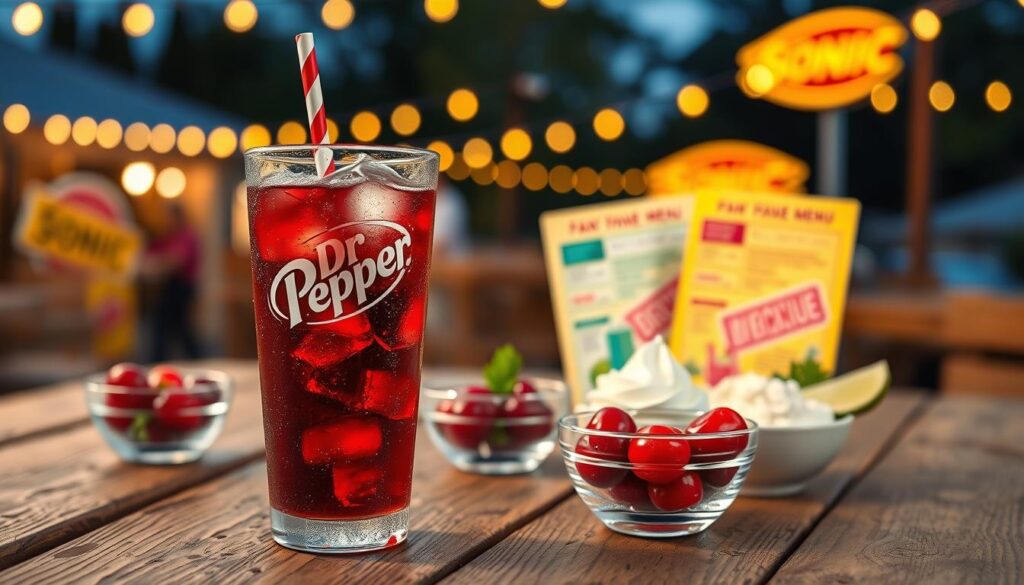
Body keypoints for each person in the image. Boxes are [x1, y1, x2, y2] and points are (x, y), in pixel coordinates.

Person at [143, 204, 202, 361]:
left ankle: (158, 361)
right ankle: (161, 359)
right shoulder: (167, 236)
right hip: (169, 289)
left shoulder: (186, 235)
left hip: (180, 288)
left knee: (172, 328)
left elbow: (176, 261)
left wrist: (154, 265)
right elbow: (151, 254)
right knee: (172, 328)